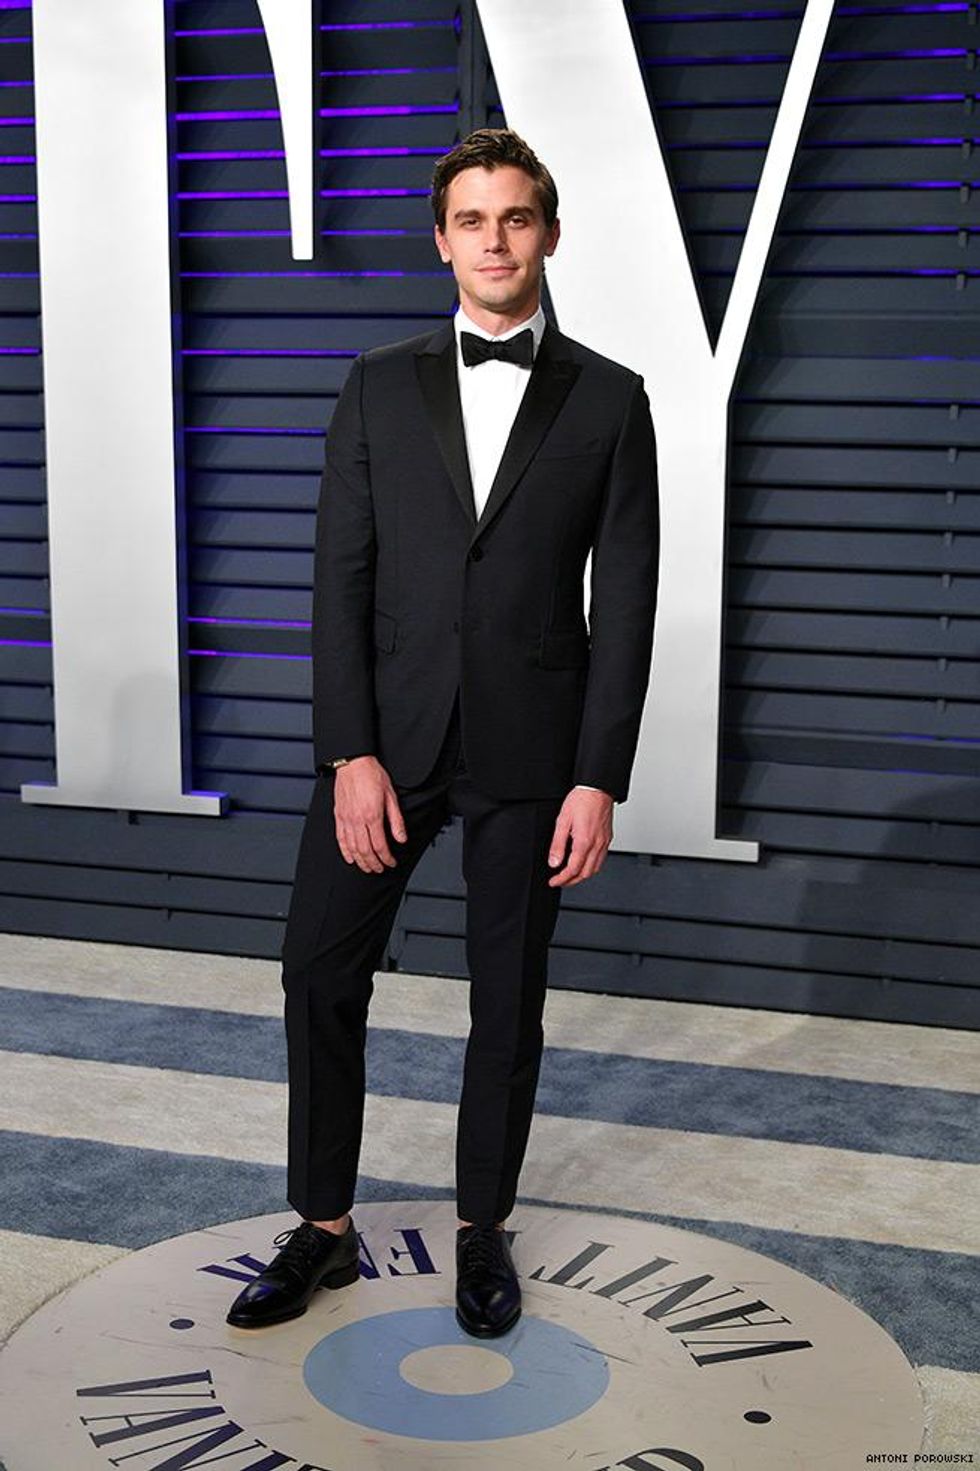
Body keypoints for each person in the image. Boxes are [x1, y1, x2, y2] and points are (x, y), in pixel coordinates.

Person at [227, 127, 659, 1338]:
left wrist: (597, 777)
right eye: (471, 221)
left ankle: (481, 1229)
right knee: (319, 967)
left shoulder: (614, 400)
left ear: (549, 235)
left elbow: (624, 604)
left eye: (514, 218)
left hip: (533, 748)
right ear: (442, 240)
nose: (494, 240)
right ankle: (321, 1225)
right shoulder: (376, 383)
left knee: (505, 999)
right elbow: (339, 579)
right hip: (389, 740)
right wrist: (347, 751)